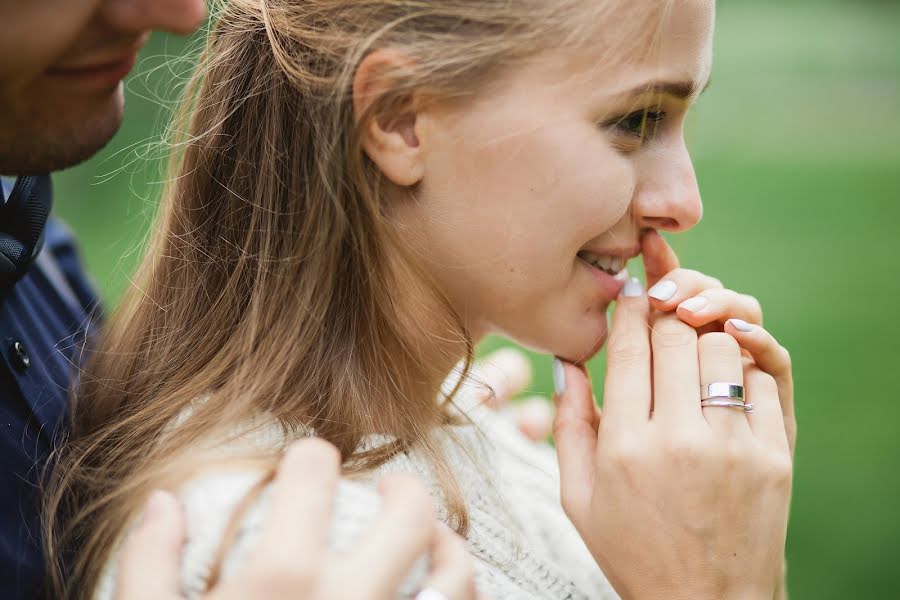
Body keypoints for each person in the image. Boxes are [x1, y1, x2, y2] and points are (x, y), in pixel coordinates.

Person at [45, 0, 797, 599]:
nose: (684, 202)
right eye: (635, 120)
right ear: (399, 118)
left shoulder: (472, 431)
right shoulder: (293, 551)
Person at [1, 1, 505, 598]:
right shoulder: (230, 517)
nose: (186, 14)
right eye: (625, 124)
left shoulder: (32, 246)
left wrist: (483, 483)